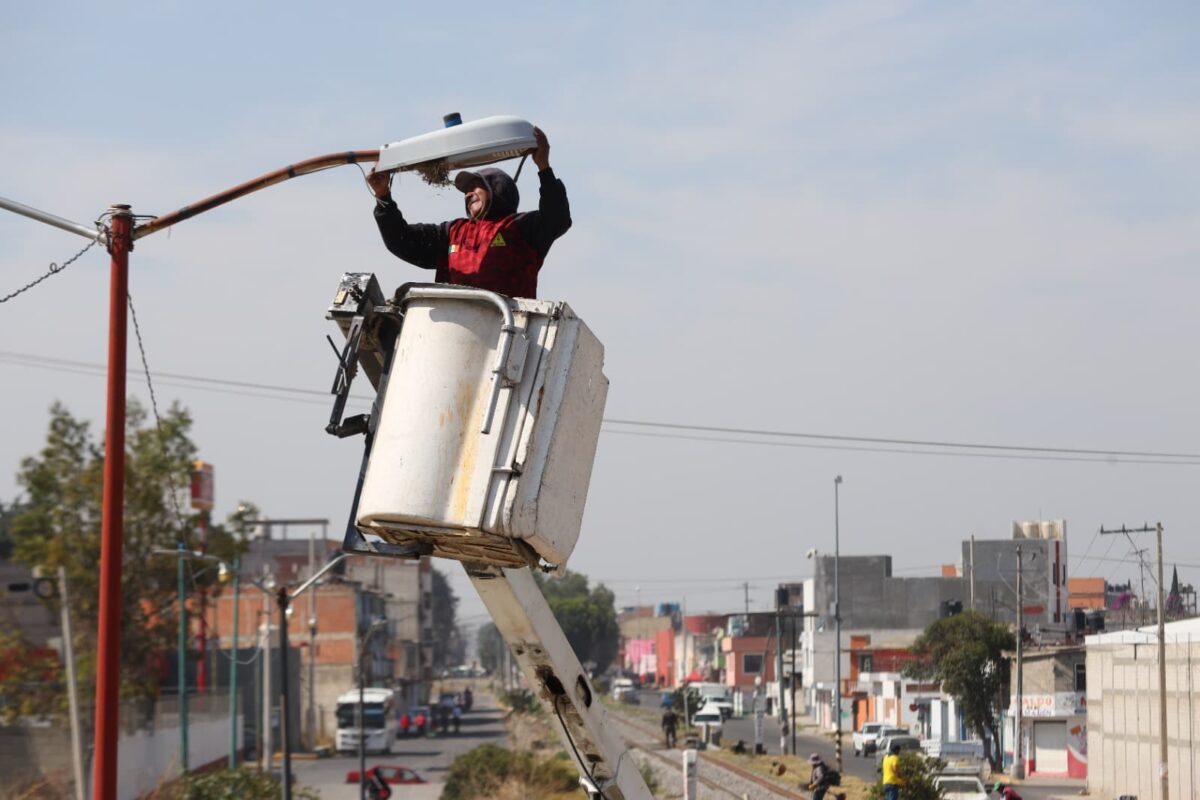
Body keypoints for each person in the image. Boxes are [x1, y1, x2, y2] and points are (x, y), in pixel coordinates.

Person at [367, 127, 571, 299]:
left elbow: (557, 218)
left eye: (475, 186)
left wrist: (544, 167)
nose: (468, 194)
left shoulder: (521, 227)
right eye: (466, 190)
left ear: (497, 189)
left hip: (508, 326)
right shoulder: (451, 232)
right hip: (455, 328)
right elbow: (401, 240)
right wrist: (383, 197)